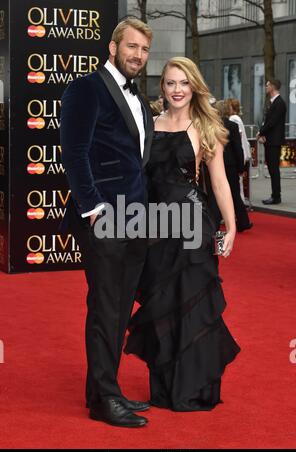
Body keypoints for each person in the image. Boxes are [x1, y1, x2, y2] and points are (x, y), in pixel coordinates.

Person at [125, 57, 240, 411]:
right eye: (171, 83)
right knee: (161, 305)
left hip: (191, 226)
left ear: (194, 87)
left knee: (191, 305)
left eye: (183, 83)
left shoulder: (205, 126)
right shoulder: (150, 123)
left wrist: (231, 226)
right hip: (153, 226)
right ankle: (163, 388)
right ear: (163, 87)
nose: (177, 89)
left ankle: (192, 388)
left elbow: (219, 182)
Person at [60, 18, 154, 428]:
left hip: (136, 218)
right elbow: (74, 152)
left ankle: (104, 389)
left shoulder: (139, 96)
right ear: (112, 48)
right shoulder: (86, 88)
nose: (138, 55)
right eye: (131, 46)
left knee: (117, 310)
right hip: (105, 218)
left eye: (145, 49)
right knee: (104, 308)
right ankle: (103, 400)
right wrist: (93, 208)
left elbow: (138, 161)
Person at [215, 100, 252, 233]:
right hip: (230, 164)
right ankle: (243, 222)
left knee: (216, 193)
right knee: (234, 193)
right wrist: (241, 167)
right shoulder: (232, 125)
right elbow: (238, 148)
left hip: (215, 164)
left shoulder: (211, 125)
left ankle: (214, 222)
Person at [256, 78, 286, 205]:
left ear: (273, 87)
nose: (266, 87)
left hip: (274, 142)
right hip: (271, 140)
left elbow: (272, 122)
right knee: (272, 170)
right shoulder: (274, 102)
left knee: (274, 170)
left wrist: (261, 132)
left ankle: (276, 196)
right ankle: (275, 195)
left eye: (267, 85)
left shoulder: (279, 103)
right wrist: (263, 133)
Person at [226, 98, 252, 204]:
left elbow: (239, 136)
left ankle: (239, 207)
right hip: (240, 153)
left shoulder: (233, 118)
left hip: (238, 155)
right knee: (237, 184)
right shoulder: (236, 118)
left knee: (237, 185)